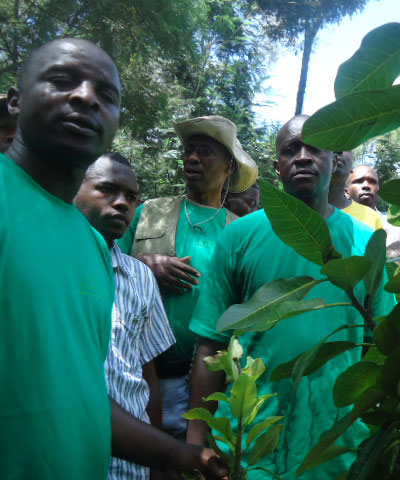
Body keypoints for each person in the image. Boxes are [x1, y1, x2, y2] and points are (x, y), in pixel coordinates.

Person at [1, 37, 227, 479]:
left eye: (106, 96)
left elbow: (84, 394)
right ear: (15, 100)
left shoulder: (90, 243)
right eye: (62, 80)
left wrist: (172, 454)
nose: (85, 97)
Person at [187, 115, 395, 479]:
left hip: (337, 448)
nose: (302, 156)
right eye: (290, 149)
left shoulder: (366, 244)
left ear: (335, 160)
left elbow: (380, 349)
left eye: (314, 147)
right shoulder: (239, 237)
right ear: (277, 167)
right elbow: (210, 345)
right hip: (249, 446)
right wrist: (195, 443)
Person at [118, 115, 258, 440]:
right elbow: (108, 268)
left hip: (210, 384)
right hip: (141, 375)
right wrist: (145, 266)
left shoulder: (241, 230)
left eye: (206, 152)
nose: (192, 158)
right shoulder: (149, 211)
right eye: (189, 150)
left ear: (230, 167)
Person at [75, 152, 178, 480]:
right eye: (107, 190)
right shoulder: (48, 265)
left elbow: (148, 374)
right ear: (75, 187)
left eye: (132, 197)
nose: (122, 204)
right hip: (70, 454)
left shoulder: (140, 277)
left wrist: (158, 459)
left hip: (131, 465)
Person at [329, 150, 384, 230]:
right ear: (346, 191)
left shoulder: (373, 218)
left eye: (372, 182)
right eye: (359, 181)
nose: (366, 186)